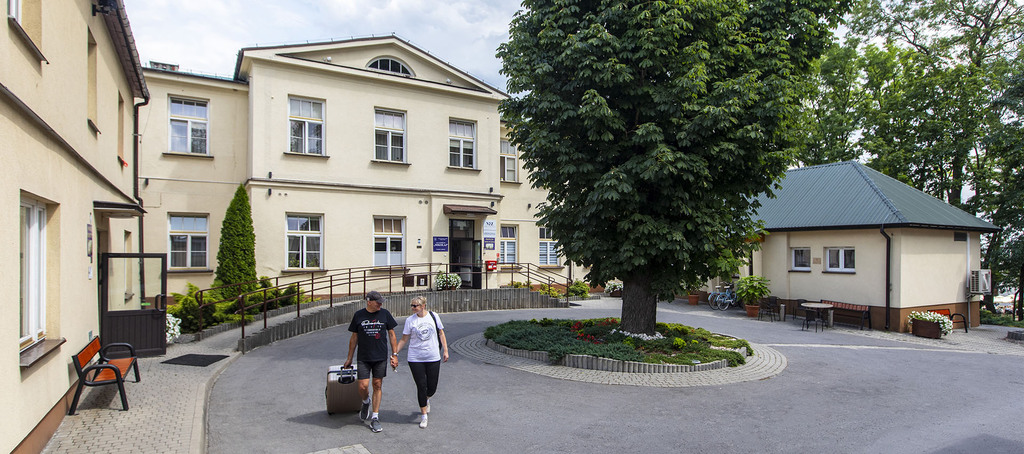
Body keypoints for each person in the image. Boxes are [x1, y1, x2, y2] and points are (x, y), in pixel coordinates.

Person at [344, 291, 398, 433]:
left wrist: (395, 354)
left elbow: (392, 334)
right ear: (369, 302)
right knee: (362, 386)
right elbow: (354, 338)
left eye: (381, 302)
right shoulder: (359, 315)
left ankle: (375, 417)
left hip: (380, 356)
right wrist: (349, 358)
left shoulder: (385, 314)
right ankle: (365, 401)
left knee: (377, 384)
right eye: (377, 302)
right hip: (364, 357)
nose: (380, 304)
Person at [393, 296, 448, 428]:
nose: (413, 308)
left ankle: (426, 398)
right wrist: (395, 353)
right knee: (421, 386)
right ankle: (424, 415)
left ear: (423, 306)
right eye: (412, 305)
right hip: (415, 358)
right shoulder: (410, 320)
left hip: (433, 356)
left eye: (415, 306)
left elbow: (441, 333)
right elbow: (404, 339)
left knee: (432, 387)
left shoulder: (434, 316)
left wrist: (445, 350)